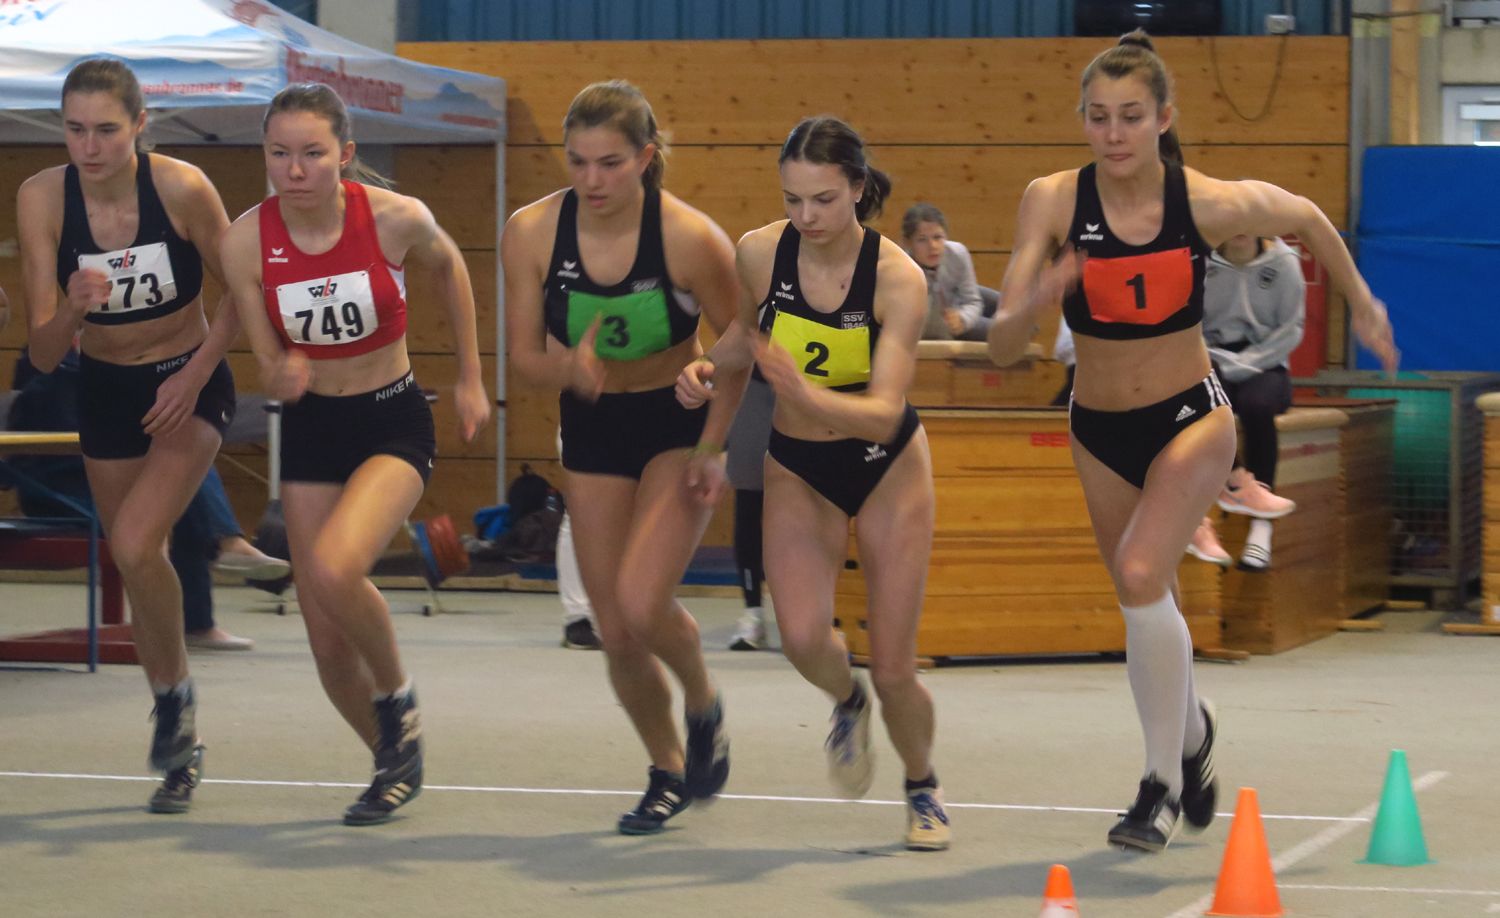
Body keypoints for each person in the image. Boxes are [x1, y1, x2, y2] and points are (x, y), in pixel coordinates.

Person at [984, 31, 1397, 853]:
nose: (1113, 133)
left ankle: (1159, 785)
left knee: (1142, 575)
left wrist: (1364, 300)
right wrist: (1038, 294)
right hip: (1098, 426)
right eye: (1098, 116)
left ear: (1163, 118)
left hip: (1191, 418)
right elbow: (1000, 348)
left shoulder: (1205, 203)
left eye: (1131, 116)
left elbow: (1307, 215)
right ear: (1082, 120)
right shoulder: (1053, 201)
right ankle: (1195, 730)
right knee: (1143, 596)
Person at [219, 82, 490, 825]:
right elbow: (264, 355)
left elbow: (451, 268)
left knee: (335, 568)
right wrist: (280, 371)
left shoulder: (397, 218)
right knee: (326, 640)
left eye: (311, 153)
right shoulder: (245, 241)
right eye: (279, 154)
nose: (294, 170)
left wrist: (471, 377)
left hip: (389, 422)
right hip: (310, 428)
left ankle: (397, 695)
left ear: (345, 154)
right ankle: (391, 762)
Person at [679, 116, 952, 851]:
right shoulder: (760, 252)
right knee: (801, 638)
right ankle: (845, 700)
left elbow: (883, 411)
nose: (807, 216)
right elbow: (745, 338)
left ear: (858, 189)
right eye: (793, 199)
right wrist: (707, 367)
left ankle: (922, 785)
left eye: (824, 199)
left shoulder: (897, 278)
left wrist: (801, 391)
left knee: (895, 668)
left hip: (886, 466)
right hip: (798, 464)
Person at [500, 80, 742, 835]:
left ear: (645, 157)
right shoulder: (532, 232)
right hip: (594, 423)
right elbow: (524, 358)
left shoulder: (690, 238)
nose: (592, 180)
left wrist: (713, 440)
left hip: (675, 418)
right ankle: (665, 767)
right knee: (614, 625)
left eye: (610, 163)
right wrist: (567, 370)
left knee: (642, 599)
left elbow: (743, 346)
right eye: (578, 162)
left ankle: (702, 700)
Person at [17, 59, 243, 815]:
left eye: (107, 130)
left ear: (141, 126)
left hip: (189, 380)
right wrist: (73, 309)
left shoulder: (181, 188)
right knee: (138, 559)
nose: (90, 147)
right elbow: (41, 353)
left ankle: (174, 703)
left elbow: (242, 293)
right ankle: (177, 719)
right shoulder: (42, 198)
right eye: (75, 130)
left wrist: (195, 374)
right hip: (107, 391)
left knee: (138, 543)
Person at [1203, 233, 1304, 570]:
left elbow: (1291, 330)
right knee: (1200, 403)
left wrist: (1246, 364)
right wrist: (1221, 363)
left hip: (1268, 363)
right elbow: (1188, 325)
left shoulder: (1284, 264)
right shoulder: (1200, 262)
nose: (1241, 229)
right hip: (1212, 359)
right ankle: (1223, 495)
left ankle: (1262, 526)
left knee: (1257, 406)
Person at [723, 372, 773, 650]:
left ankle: (822, 616)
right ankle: (753, 612)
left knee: (814, 498)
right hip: (755, 380)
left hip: (813, 379)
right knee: (749, 495)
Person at [900, 202, 989, 341]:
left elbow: (972, 300)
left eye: (937, 237)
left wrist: (963, 319)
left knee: (1006, 308)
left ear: (946, 236)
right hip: (940, 319)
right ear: (908, 243)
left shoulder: (957, 253)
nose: (932, 246)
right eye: (922, 240)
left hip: (958, 305)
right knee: (1001, 331)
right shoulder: (900, 267)